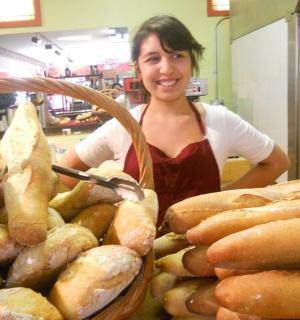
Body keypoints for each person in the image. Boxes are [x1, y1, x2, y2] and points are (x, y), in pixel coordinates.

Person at [58, 15, 290, 227]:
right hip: (138, 258)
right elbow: (64, 171)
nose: (166, 68)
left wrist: (223, 198)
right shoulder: (123, 126)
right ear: (138, 69)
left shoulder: (219, 121)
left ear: (192, 63)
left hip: (202, 252)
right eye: (153, 59)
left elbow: (277, 162)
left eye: (177, 56)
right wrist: (106, 207)